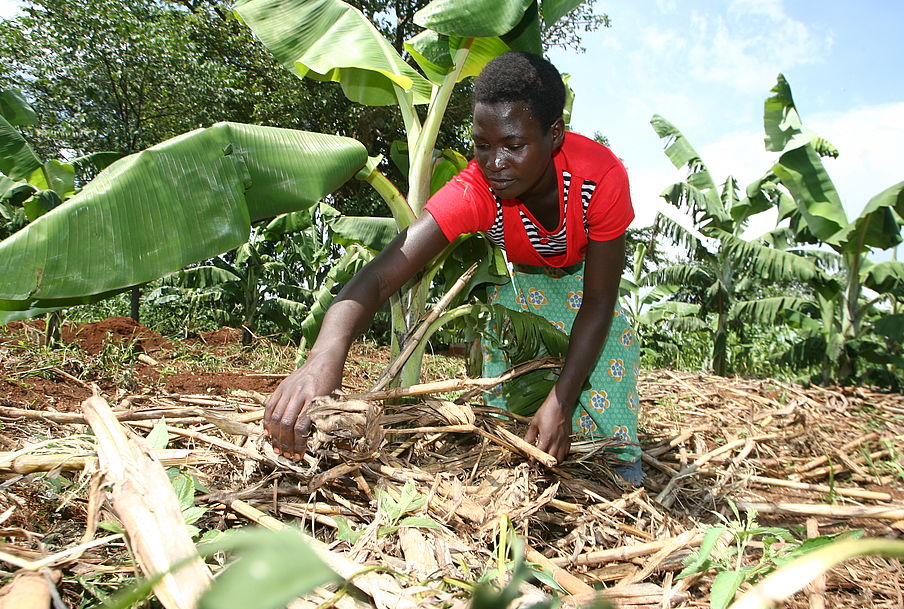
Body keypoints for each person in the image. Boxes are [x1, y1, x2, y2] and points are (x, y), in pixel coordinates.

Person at [264, 52, 641, 478]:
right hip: (523, 284)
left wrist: (562, 399)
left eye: (514, 146)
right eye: (483, 145)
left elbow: (598, 298)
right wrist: (320, 361)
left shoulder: (599, 178)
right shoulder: (477, 191)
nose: (495, 163)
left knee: (608, 352)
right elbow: (377, 279)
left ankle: (621, 473)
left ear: (554, 135)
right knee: (511, 398)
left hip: (585, 281)